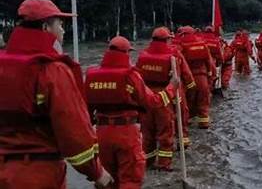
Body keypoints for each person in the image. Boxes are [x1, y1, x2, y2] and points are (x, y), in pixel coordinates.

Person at [0, 0, 112, 188]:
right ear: (45, 27)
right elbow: (74, 134)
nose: (63, 30)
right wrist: (97, 172)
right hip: (39, 174)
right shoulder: (52, 70)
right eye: (59, 24)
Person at [85, 36, 175, 188]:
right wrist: (172, 87)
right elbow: (153, 102)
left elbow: (85, 111)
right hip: (126, 133)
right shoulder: (130, 75)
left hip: (101, 134)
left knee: (106, 180)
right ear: (126, 53)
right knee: (130, 178)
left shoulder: (91, 75)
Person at [136, 27, 195, 171]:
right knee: (166, 132)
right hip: (165, 96)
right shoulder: (173, 55)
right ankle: (164, 164)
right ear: (167, 39)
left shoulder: (142, 55)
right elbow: (183, 76)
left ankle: (147, 163)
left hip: (147, 97)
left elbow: (136, 77)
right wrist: (190, 88)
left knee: (147, 133)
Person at [177, 26, 214, 129]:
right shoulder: (202, 44)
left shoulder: (181, 45)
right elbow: (209, 62)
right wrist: (211, 75)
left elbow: (179, 64)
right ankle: (204, 122)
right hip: (202, 77)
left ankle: (187, 120)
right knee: (203, 100)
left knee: (188, 101)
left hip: (188, 79)